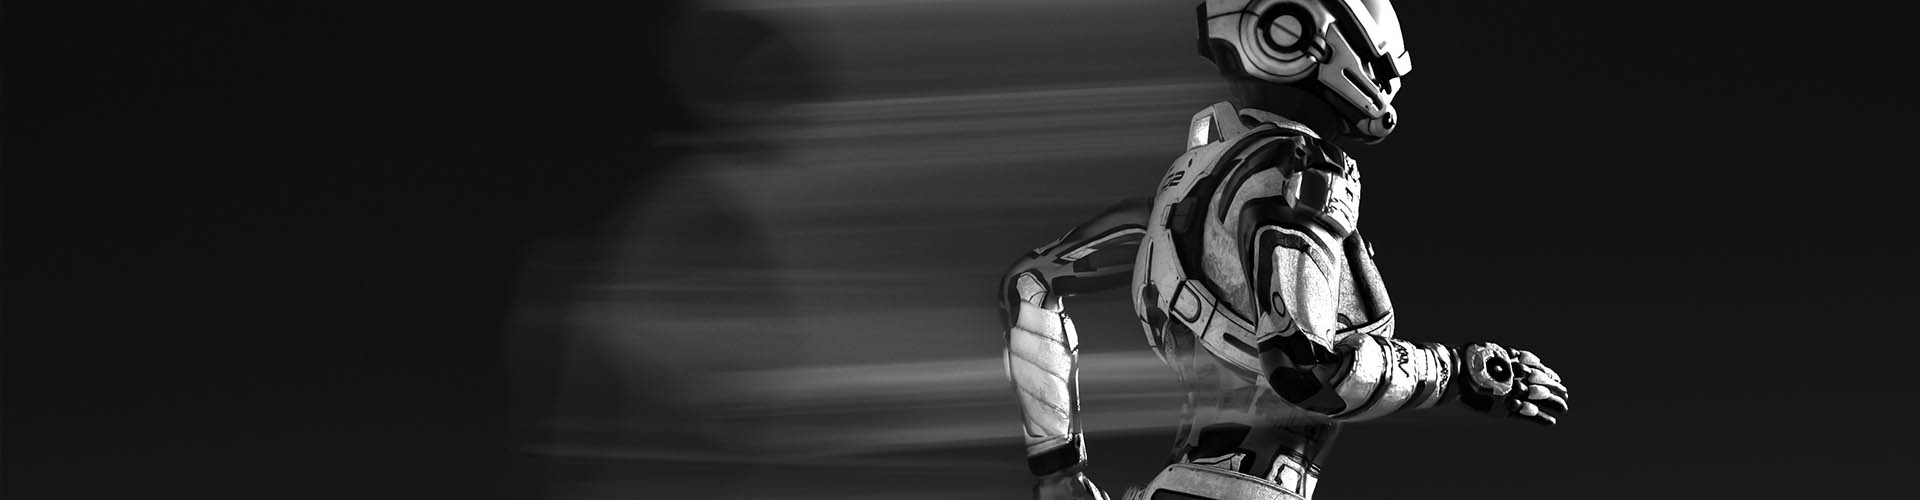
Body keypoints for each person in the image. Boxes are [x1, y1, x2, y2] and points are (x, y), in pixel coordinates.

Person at [997, 2, 1570, 499]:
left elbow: (1031, 285)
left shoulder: (1182, 191)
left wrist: (1058, 472)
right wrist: (1455, 373)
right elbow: (1307, 371)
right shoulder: (1300, 171)